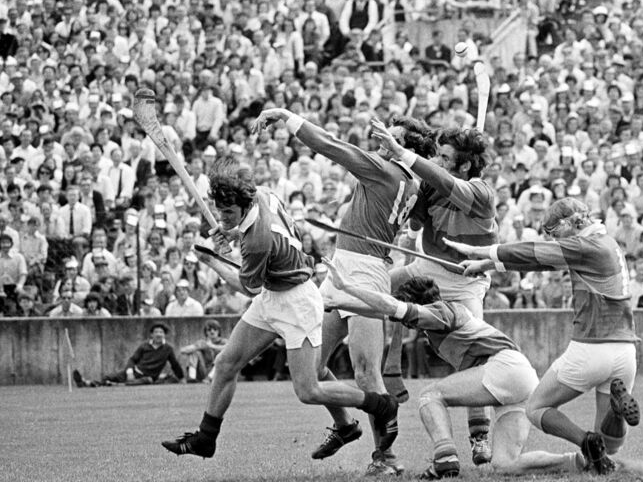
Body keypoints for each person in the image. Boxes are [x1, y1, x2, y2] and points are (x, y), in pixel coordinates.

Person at [161, 156, 398, 460]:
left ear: (243, 205)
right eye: (220, 210)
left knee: (308, 390)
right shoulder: (263, 195)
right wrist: (233, 232)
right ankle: (206, 438)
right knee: (226, 363)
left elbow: (247, 286)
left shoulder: (257, 242)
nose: (222, 217)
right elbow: (268, 239)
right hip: (274, 294)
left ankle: (381, 404)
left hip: (296, 303)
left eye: (229, 212)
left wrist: (212, 260)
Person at [251, 107, 435, 473]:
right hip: (343, 269)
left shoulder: (385, 170)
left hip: (363, 273)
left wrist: (286, 115)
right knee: (313, 366)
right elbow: (415, 219)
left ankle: (386, 459)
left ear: (405, 150)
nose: (382, 143)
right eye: (384, 137)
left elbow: (331, 146)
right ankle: (345, 425)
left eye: (392, 139)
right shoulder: (413, 182)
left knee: (367, 372)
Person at [323, 259, 586, 479]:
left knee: (430, 396)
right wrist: (340, 303)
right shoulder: (439, 313)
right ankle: (579, 462)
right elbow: (382, 311)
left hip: (505, 367)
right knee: (505, 464)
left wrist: (346, 287)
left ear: (417, 304)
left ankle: (445, 457)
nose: (409, 326)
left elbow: (391, 307)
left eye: (410, 315)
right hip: (521, 378)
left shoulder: (441, 312)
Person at [444, 197, 640, 475]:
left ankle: (585, 440)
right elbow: (545, 262)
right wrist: (486, 265)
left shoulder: (584, 246)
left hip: (591, 348)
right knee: (609, 449)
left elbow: (534, 252)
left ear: (568, 222)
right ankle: (616, 413)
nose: (552, 239)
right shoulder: (606, 244)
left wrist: (482, 251)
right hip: (626, 352)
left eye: (553, 232)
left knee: (536, 408)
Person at [371, 119, 498, 465]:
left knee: (474, 358)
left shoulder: (481, 194)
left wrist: (407, 156)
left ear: (466, 164)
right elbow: (412, 220)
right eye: (438, 156)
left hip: (466, 281)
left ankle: (479, 434)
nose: (438, 162)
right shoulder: (431, 187)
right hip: (426, 267)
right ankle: (392, 370)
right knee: (377, 287)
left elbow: (444, 180)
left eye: (445, 157)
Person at [73, 323, 184, 387]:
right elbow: (132, 359)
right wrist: (129, 371)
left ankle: (114, 385)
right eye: (156, 332)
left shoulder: (168, 349)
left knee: (143, 382)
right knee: (109, 377)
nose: (159, 334)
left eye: (161, 332)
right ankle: (87, 383)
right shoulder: (144, 346)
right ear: (151, 334)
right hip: (136, 372)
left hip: (148, 377)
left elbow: (175, 364)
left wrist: (182, 378)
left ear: (164, 334)